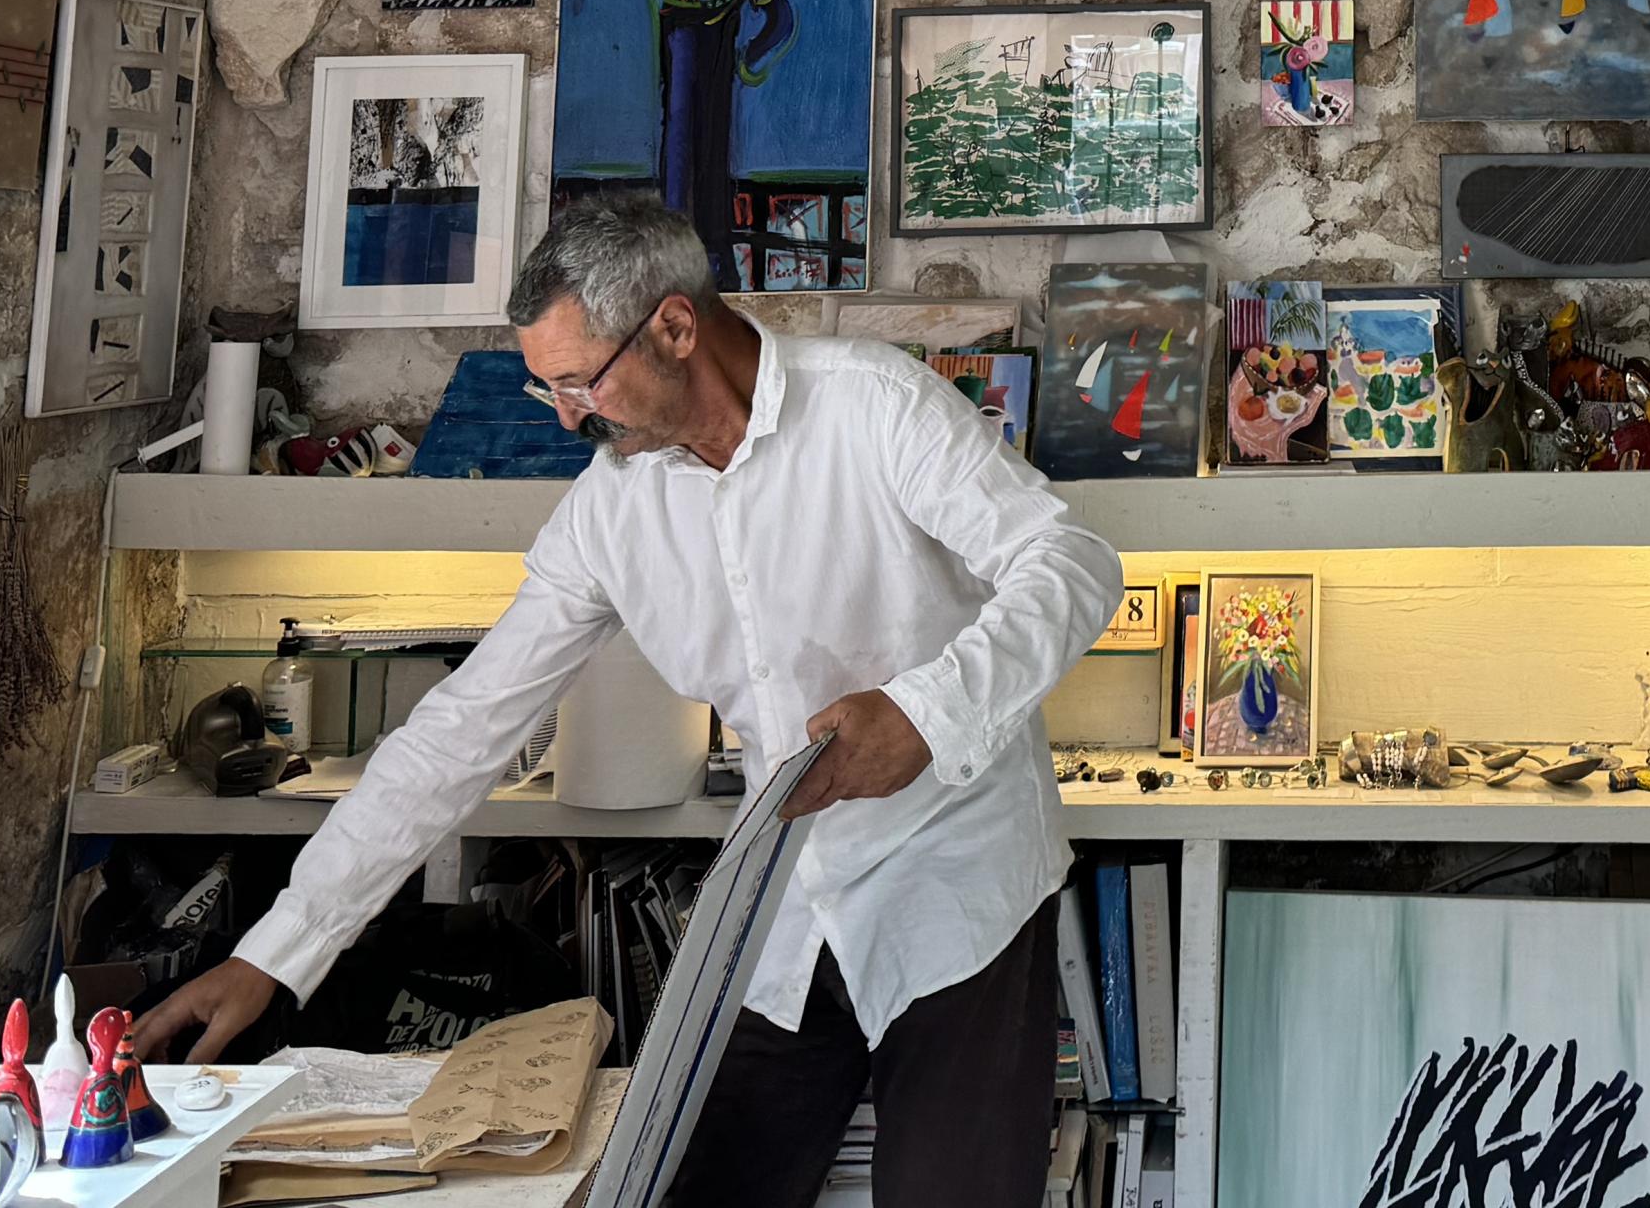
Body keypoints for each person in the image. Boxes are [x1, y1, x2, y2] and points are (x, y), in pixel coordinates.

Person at [136, 192, 1122, 1208]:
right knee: (683, 1187)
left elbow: (1070, 563)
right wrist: (275, 953)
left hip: (957, 887)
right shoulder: (610, 509)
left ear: (676, 327)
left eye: (581, 380)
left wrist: (926, 712)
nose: (569, 415)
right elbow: (461, 729)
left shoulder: (877, 406)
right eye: (549, 387)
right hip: (779, 902)